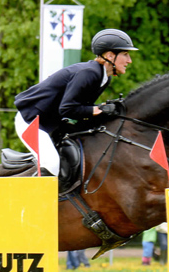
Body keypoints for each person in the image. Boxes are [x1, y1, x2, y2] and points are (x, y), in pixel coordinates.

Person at [14, 29, 137, 176]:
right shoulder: (89, 73)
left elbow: (80, 109)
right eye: (125, 54)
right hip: (31, 121)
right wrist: (96, 109)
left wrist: (104, 112)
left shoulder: (103, 77)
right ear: (110, 55)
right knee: (52, 164)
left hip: (51, 123)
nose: (129, 60)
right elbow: (67, 109)